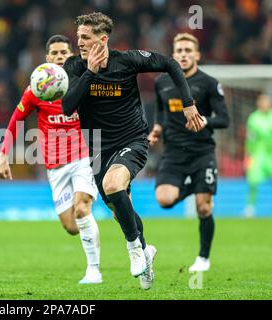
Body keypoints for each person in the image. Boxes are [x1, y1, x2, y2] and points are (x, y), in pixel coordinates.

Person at [62, 13, 204, 290]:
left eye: (85, 37)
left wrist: (187, 102)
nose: (79, 42)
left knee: (113, 183)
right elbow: (68, 107)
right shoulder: (75, 66)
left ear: (102, 40)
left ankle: (134, 249)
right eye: (78, 36)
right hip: (97, 149)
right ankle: (145, 249)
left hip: (133, 139)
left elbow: (170, 63)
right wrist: (90, 72)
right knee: (118, 209)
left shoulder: (126, 61)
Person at [0, 35, 102, 284]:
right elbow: (15, 121)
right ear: (47, 58)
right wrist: (3, 156)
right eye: (55, 53)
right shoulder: (37, 89)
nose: (60, 56)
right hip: (55, 165)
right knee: (72, 226)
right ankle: (89, 226)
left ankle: (94, 270)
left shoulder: (83, 80)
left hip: (83, 156)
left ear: (71, 54)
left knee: (82, 207)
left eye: (64, 52)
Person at [148, 33, 229, 272]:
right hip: (173, 153)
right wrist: (157, 128)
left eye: (188, 50)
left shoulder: (209, 83)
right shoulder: (161, 82)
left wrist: (205, 122)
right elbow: (162, 111)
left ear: (197, 55)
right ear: (173, 55)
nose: (183, 54)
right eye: (179, 51)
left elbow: (224, 119)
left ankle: (203, 258)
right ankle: (196, 185)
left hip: (202, 152)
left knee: (204, 207)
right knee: (164, 200)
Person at [244, 94, 272, 218]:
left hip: (270, 154)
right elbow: (250, 139)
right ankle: (250, 207)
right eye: (262, 102)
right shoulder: (253, 118)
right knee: (253, 181)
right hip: (258, 154)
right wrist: (248, 155)